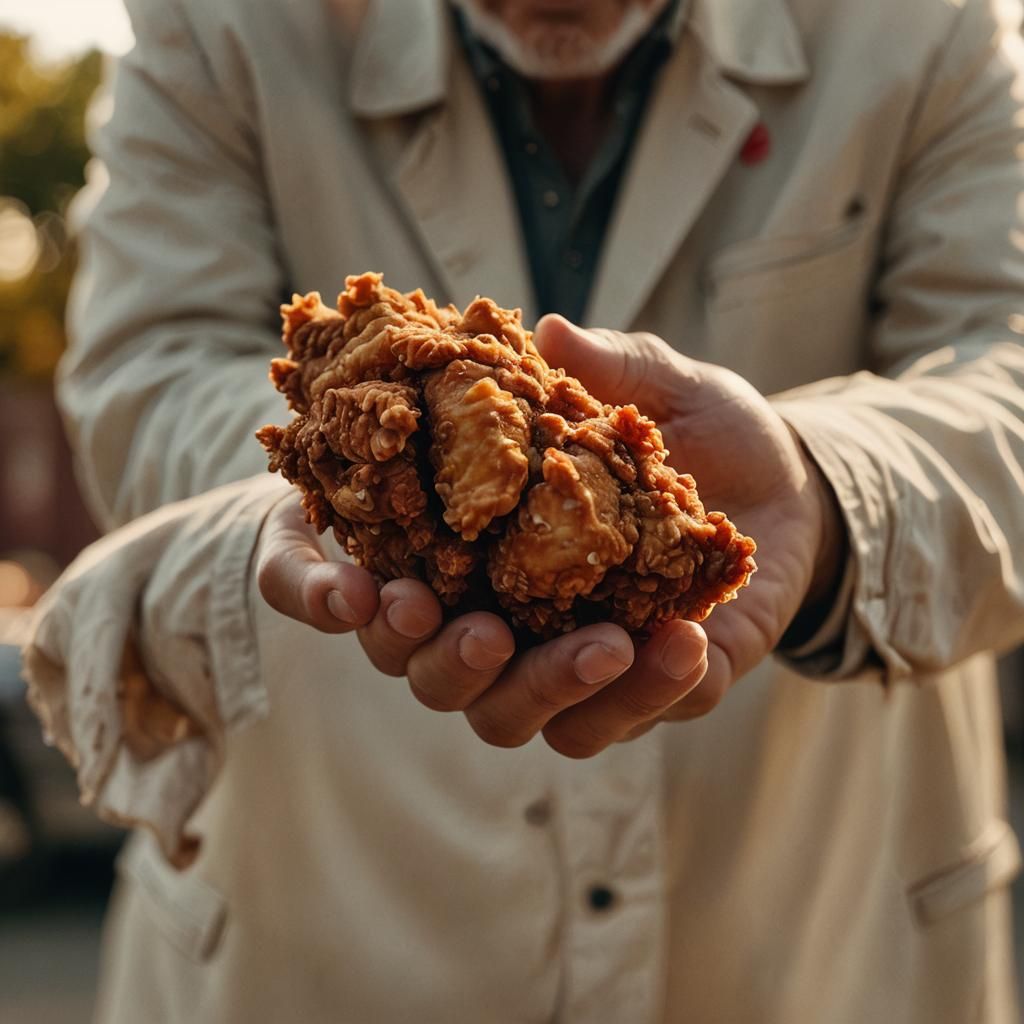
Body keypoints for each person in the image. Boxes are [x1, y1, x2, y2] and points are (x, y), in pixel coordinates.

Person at [20, 0, 1024, 1019]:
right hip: (320, 935)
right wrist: (356, 470)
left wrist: (823, 486)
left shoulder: (921, 26)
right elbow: (146, 373)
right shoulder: (221, 23)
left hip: (815, 937)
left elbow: (1010, 378)